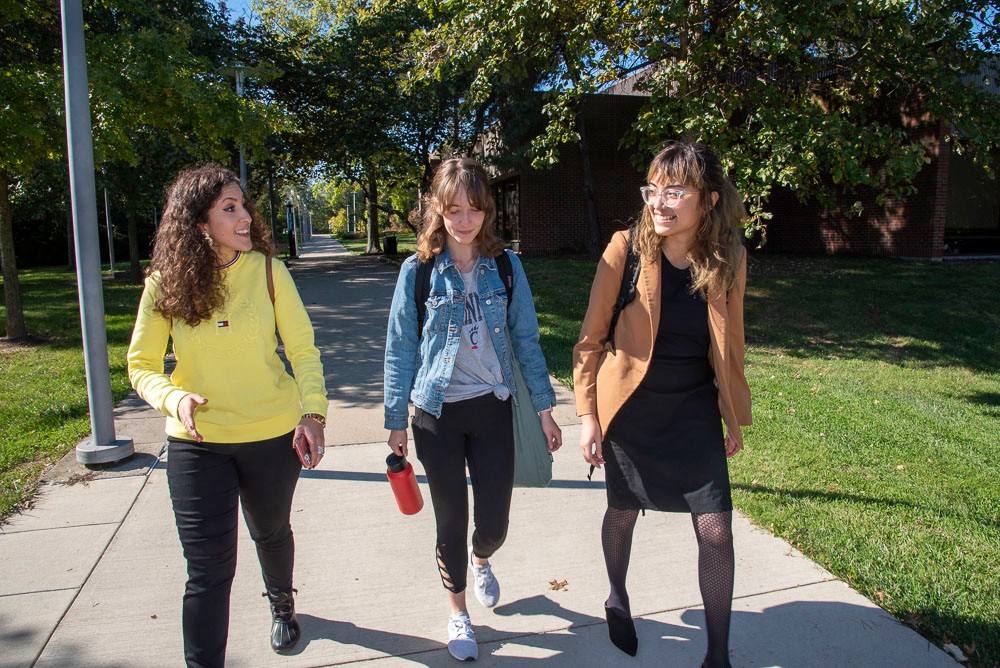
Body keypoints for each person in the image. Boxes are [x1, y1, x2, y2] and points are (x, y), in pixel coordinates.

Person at [127, 164, 328, 667]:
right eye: (229, 209)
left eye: (244, 206)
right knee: (208, 569)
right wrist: (175, 400)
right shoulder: (162, 285)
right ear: (198, 223)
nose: (245, 217)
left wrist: (313, 414)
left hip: (271, 435)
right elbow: (142, 366)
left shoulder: (267, 270)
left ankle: (282, 603)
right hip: (197, 444)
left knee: (271, 531)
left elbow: (302, 350)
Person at [573, 142, 751, 667]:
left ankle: (717, 655)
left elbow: (732, 344)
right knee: (624, 512)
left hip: (693, 410)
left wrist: (733, 416)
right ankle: (616, 594)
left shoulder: (729, 259)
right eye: (653, 189)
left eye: (674, 191)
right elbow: (590, 341)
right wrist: (587, 416)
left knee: (716, 528)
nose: (659, 201)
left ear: (709, 200)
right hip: (631, 409)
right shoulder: (624, 250)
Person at [384, 157, 563, 662]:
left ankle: (482, 558)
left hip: (492, 409)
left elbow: (526, 339)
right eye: (454, 209)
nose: (464, 220)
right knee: (449, 520)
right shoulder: (416, 272)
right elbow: (400, 346)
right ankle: (457, 612)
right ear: (437, 211)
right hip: (435, 414)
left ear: (487, 212)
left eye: (474, 209)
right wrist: (395, 420)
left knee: (493, 523)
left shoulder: (507, 267)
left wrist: (545, 410)